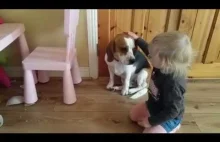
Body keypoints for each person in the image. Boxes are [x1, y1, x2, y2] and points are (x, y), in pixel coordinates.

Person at [126, 31, 194, 133]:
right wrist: (137, 39)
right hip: (153, 105)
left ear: (165, 61)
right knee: (133, 115)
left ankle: (174, 127)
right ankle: (152, 116)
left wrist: (150, 122)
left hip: (169, 117)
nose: (149, 56)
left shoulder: (172, 84)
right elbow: (148, 49)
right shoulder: (162, 64)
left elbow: (173, 111)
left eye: (152, 56)